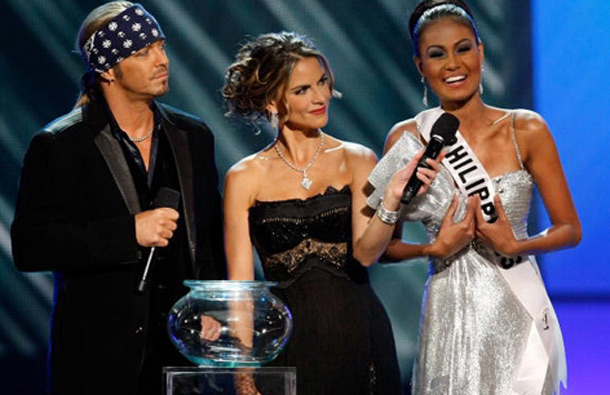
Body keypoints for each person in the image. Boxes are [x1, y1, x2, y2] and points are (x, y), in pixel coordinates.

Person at [366, 1, 582, 394]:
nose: (453, 64)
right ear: (420, 66)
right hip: (449, 314)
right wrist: (433, 249)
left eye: (463, 48)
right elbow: (380, 246)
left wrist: (515, 243)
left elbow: (570, 228)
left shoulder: (527, 128)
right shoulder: (404, 138)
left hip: (518, 307)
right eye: (437, 54)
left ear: (481, 52)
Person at [10, 2, 225, 394]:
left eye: (160, 46)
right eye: (143, 53)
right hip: (101, 357)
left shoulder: (193, 137)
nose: (161, 60)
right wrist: (129, 232)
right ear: (108, 69)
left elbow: (209, 236)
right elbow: (30, 247)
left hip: (181, 356)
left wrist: (211, 302)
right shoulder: (60, 145)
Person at [221, 31, 441, 395]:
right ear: (274, 102)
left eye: (322, 82)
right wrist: (243, 374)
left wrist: (391, 202)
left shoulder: (356, 159)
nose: (321, 97)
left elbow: (367, 254)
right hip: (286, 342)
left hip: (359, 333)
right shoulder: (244, 177)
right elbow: (241, 289)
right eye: (303, 90)